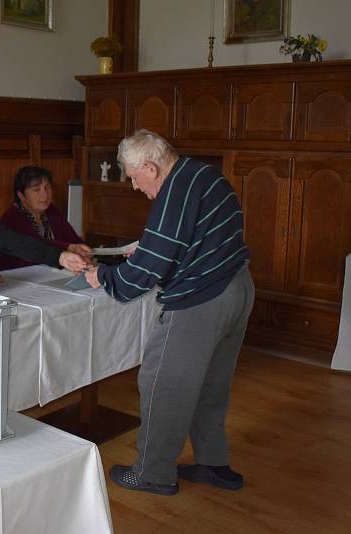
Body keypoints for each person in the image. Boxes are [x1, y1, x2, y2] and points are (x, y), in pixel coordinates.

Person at [85, 130, 254, 495]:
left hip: (202, 300)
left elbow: (146, 275)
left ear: (150, 166)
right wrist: (148, 250)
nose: (133, 186)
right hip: (237, 287)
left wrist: (103, 276)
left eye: (133, 176)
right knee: (211, 384)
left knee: (161, 384)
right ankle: (213, 463)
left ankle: (153, 473)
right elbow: (190, 240)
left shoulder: (174, 191)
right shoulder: (202, 174)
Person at [0, 166, 91, 272]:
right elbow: (35, 245)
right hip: (8, 276)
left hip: (44, 274)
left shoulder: (51, 210)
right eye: (36, 190)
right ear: (21, 195)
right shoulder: (12, 217)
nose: (45, 195)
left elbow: (73, 239)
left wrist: (83, 252)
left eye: (47, 187)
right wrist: (69, 248)